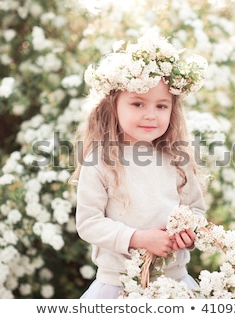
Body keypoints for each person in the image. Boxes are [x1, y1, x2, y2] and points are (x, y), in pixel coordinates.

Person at [70, 28, 208, 299]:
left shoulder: (177, 158)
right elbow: (89, 222)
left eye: (161, 106)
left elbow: (196, 211)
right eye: (137, 103)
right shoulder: (100, 161)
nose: (150, 115)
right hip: (118, 286)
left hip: (175, 284)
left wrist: (189, 233)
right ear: (113, 106)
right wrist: (137, 238)